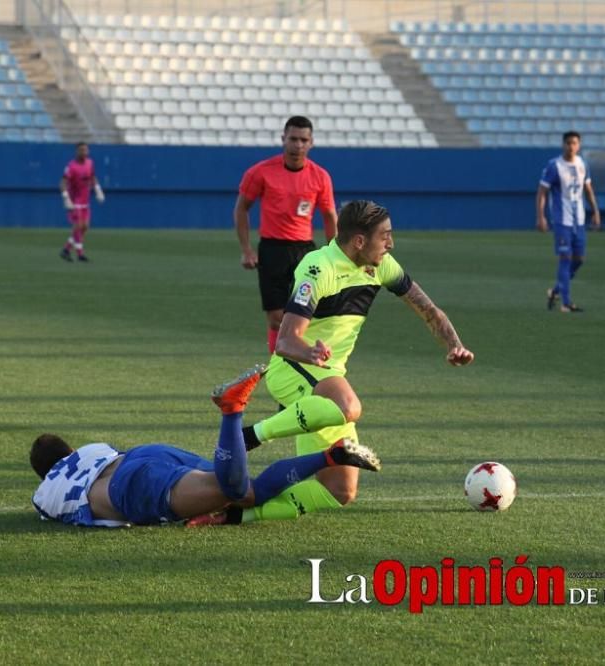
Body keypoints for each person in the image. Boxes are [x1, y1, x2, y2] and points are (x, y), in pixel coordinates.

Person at [209, 200, 473, 526]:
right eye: (385, 236)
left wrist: (454, 345)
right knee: (349, 405)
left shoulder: (382, 266)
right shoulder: (318, 267)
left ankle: (237, 514)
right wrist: (310, 353)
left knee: (339, 491)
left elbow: (429, 310)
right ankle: (251, 435)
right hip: (291, 368)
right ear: (359, 241)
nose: (390, 244)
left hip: (326, 378)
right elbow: (286, 340)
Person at [30, 364, 381, 527]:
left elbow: (50, 510)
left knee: (234, 487)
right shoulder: (87, 451)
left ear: (45, 471)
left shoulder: (45, 492)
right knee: (245, 492)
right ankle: (331, 456)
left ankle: (232, 412)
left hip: (131, 489)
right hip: (143, 455)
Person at [234, 116, 338, 353]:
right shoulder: (261, 172)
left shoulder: (320, 176)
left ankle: (302, 360)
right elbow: (242, 208)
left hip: (305, 252)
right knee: (276, 316)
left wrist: (335, 255)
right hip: (272, 250)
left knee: (305, 314)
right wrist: (247, 250)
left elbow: (330, 216)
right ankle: (278, 366)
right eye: (293, 139)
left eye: (304, 140)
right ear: (283, 139)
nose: (298, 145)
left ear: (311, 143)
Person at [536, 130, 601, 313]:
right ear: (563, 145)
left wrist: (595, 211)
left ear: (579, 145)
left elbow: (588, 189)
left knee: (579, 259)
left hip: (578, 220)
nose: (571, 146)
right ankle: (566, 303)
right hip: (561, 220)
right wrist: (541, 216)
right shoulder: (554, 166)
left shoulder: (583, 165)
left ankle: (555, 291)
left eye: (574, 143)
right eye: (568, 143)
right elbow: (542, 192)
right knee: (565, 259)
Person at [59, 142, 104, 263]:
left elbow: (93, 177)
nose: (84, 152)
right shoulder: (71, 166)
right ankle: (80, 254)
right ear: (77, 152)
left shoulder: (90, 163)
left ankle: (66, 249)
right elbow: (62, 182)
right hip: (75, 201)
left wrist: (98, 190)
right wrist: (66, 198)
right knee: (78, 226)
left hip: (85, 201)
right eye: (81, 150)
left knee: (85, 227)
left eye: (86, 150)